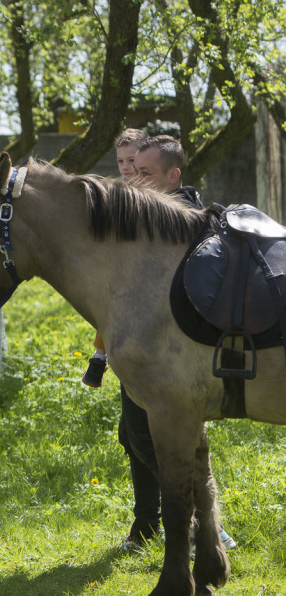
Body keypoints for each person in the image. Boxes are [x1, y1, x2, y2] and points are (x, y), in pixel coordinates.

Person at [108, 135, 236, 551]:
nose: (134, 177)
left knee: (162, 441)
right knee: (136, 436)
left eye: (143, 170)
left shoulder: (181, 223)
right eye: (129, 166)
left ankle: (204, 525)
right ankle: (149, 524)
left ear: (173, 175)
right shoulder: (144, 216)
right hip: (140, 348)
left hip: (168, 355)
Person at [82, 128, 149, 387]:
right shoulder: (116, 190)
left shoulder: (153, 188)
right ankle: (100, 354)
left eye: (131, 160)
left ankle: (100, 356)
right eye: (120, 161)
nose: (125, 167)